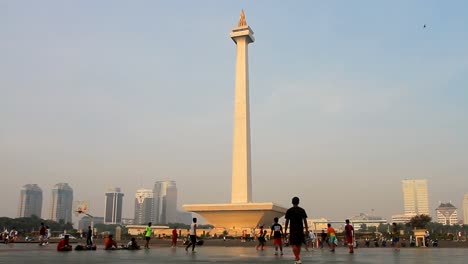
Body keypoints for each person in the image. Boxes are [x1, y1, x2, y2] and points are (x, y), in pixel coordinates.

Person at [284, 196, 308, 264]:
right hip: (300, 229)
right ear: (298, 202)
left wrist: (285, 231)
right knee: (299, 244)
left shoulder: (289, 211)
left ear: (292, 202)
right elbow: (305, 221)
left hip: (293, 229)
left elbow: (287, 222)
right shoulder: (302, 210)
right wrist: (306, 230)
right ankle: (297, 258)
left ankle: (297, 258)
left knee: (293, 244)